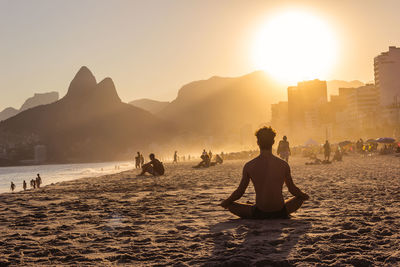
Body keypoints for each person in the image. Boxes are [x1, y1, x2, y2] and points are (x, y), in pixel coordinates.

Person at [220, 126, 309, 219]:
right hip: (281, 211)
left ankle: (250, 206)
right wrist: (303, 195)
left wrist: (227, 201)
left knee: (231, 205)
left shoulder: (249, 165)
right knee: (300, 198)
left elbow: (240, 192)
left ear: (258, 143)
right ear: (273, 142)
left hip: (259, 212)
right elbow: (292, 189)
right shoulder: (283, 165)